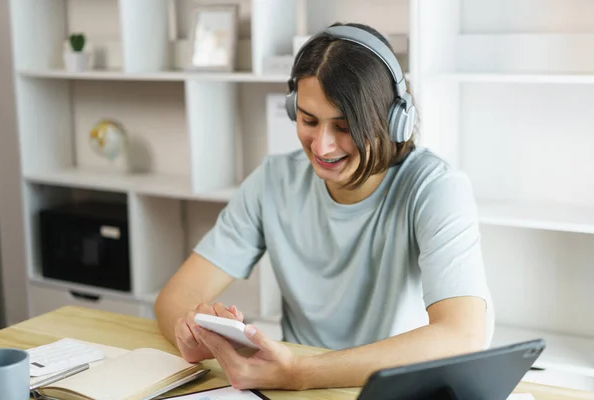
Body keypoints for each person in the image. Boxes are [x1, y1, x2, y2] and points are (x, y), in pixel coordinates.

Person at [155, 22, 494, 391]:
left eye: (344, 126)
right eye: (308, 120)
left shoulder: (434, 188)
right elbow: (175, 296)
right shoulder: (273, 181)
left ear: (394, 122)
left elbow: (462, 335)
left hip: (391, 389)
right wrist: (189, 331)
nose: (321, 147)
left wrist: (301, 372)